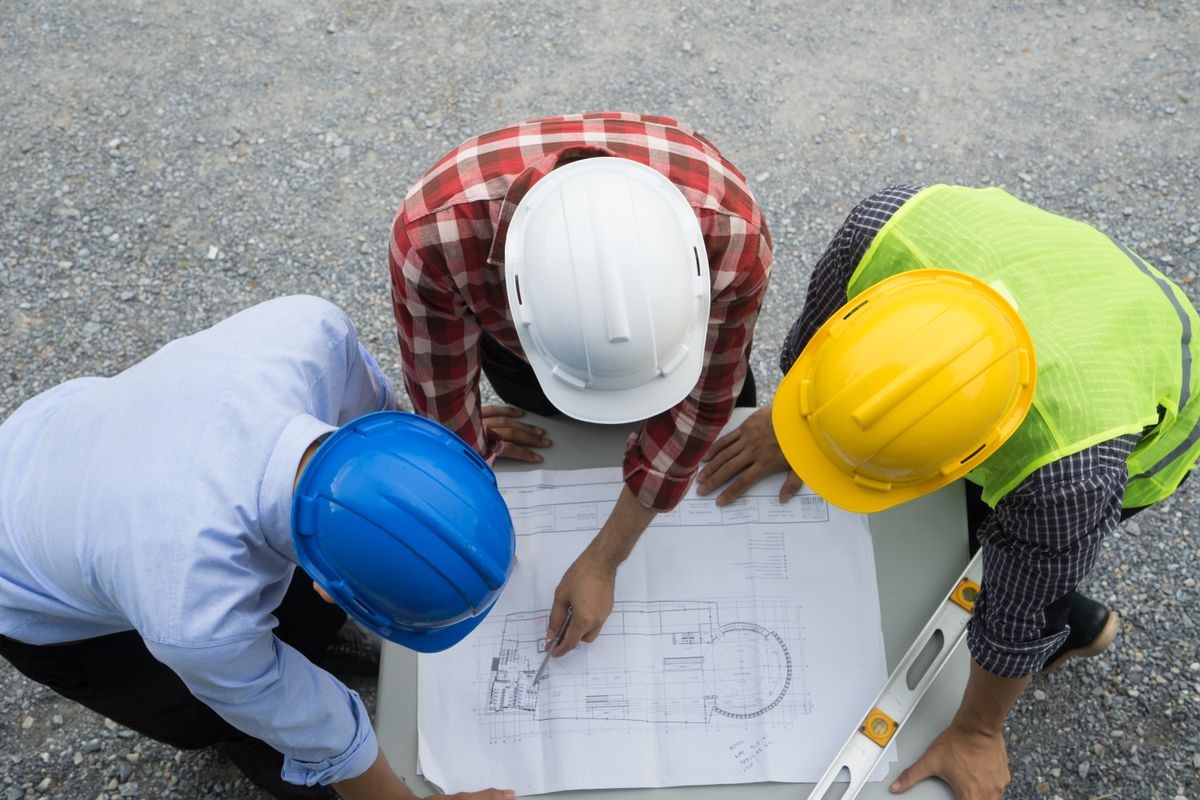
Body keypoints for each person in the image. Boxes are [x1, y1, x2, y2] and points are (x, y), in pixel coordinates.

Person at [696, 184, 1200, 799]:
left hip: (1142, 378)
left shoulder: (1067, 472)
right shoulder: (880, 234)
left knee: (1022, 570)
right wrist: (806, 429)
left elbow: (1020, 613)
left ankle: (1075, 627)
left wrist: (977, 732)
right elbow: (820, 346)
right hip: (1070, 296)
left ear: (965, 458)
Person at [0, 295, 517, 800]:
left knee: (282, 622)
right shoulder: (195, 616)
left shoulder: (313, 333)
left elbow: (374, 428)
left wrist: (432, 477)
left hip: (86, 445)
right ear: (330, 588)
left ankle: (289, 660)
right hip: (22, 559)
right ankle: (247, 738)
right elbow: (324, 732)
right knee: (188, 706)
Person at [389, 112, 772, 655]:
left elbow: (703, 407)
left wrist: (604, 558)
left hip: (659, 336)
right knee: (528, 408)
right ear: (515, 294)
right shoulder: (432, 240)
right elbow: (441, 401)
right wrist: (467, 455)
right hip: (527, 357)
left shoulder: (732, 236)